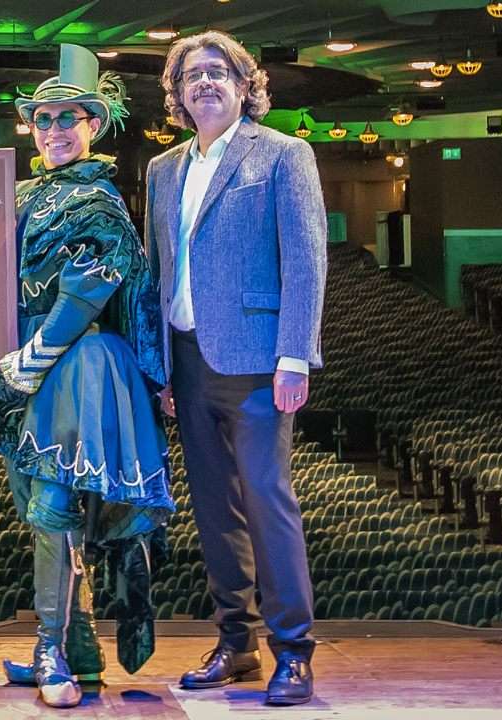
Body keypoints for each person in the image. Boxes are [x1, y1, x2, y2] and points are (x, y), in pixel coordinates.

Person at [0, 43, 174, 709]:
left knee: (56, 510)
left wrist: (20, 370)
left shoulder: (97, 201)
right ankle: (81, 648)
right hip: (29, 366)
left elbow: (84, 297)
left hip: (79, 364)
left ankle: (50, 651)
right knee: (39, 510)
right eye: (44, 119)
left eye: (68, 119)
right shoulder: (22, 193)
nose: (54, 130)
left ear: (93, 124)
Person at [145, 30, 326, 706]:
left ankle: (293, 650)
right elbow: (164, 273)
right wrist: (162, 367)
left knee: (266, 501)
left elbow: (307, 261)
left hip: (256, 362)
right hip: (188, 360)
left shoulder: (283, 155)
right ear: (178, 95)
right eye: (192, 75)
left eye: (219, 72)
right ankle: (237, 642)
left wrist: (294, 356)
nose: (205, 83)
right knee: (214, 510)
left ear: (247, 86)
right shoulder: (164, 169)